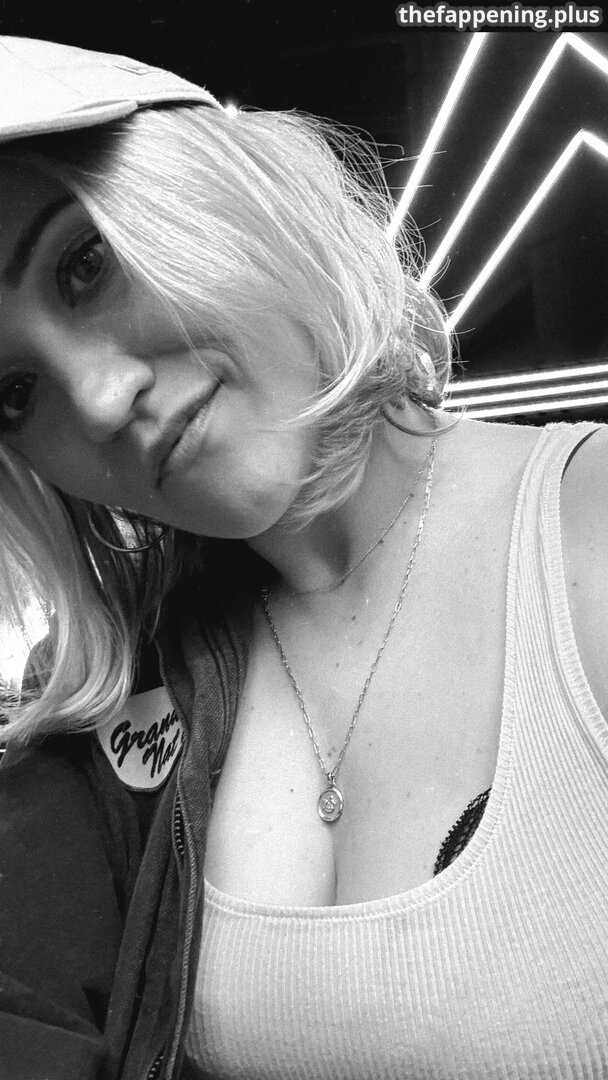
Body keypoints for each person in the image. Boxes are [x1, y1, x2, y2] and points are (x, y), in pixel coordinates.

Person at [0, 34, 607, 1080]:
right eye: (12, 395)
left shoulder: (584, 530)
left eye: (84, 265)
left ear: (225, 195)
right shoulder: (118, 699)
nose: (96, 398)